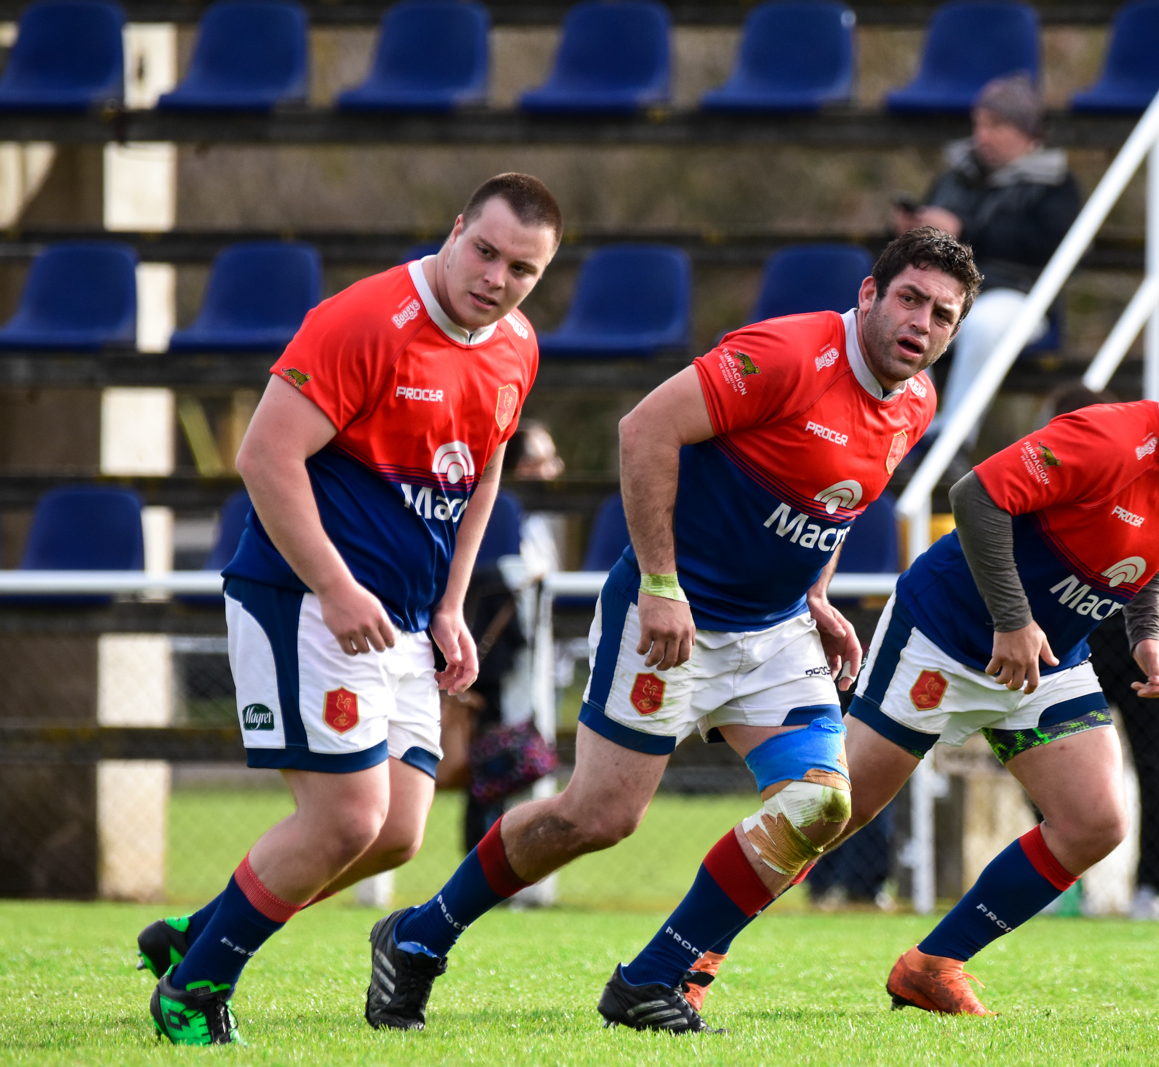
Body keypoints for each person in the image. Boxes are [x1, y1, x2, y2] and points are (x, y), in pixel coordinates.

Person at [363, 228, 978, 1033]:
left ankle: (653, 979)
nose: (923, 323)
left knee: (820, 806)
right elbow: (644, 430)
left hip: (774, 632)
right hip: (671, 618)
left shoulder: (916, 400)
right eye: (910, 299)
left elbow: (832, 501)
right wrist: (660, 584)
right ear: (869, 294)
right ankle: (416, 936)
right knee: (597, 816)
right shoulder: (787, 355)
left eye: (943, 314)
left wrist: (818, 597)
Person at [689, 321, 1159, 1016]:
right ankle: (690, 949)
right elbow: (975, 496)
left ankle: (931, 965)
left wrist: (1146, 633)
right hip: (946, 632)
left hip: (1043, 656)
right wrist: (1011, 619)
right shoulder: (1109, 436)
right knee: (831, 812)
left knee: (1096, 820)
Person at [131, 173, 563, 1046]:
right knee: (345, 818)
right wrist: (333, 584)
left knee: (398, 832)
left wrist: (450, 608)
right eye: (484, 250)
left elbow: (477, 476)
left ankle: (197, 934)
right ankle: (194, 988)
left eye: (522, 268)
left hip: (405, 617)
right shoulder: (364, 320)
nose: (496, 277)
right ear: (455, 230)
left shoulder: (516, 345)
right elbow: (265, 457)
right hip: (304, 602)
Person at [1048, 383, 1159, 921]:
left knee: (1153, 770)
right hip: (1071, 646)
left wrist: (1150, 633)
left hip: (1137, 645)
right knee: (1050, 766)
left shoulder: (1143, 480)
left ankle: (1150, 888)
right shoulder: (1045, 484)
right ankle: (1062, 884)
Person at [893, 74, 1081, 447]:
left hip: (1020, 297)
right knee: (900, 309)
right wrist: (911, 230)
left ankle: (954, 438)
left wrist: (962, 229)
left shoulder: (1057, 185)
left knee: (978, 325)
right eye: (979, 124)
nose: (982, 135)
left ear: (1029, 134)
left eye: (997, 125)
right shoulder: (955, 176)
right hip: (946, 290)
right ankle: (904, 422)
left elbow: (1043, 247)